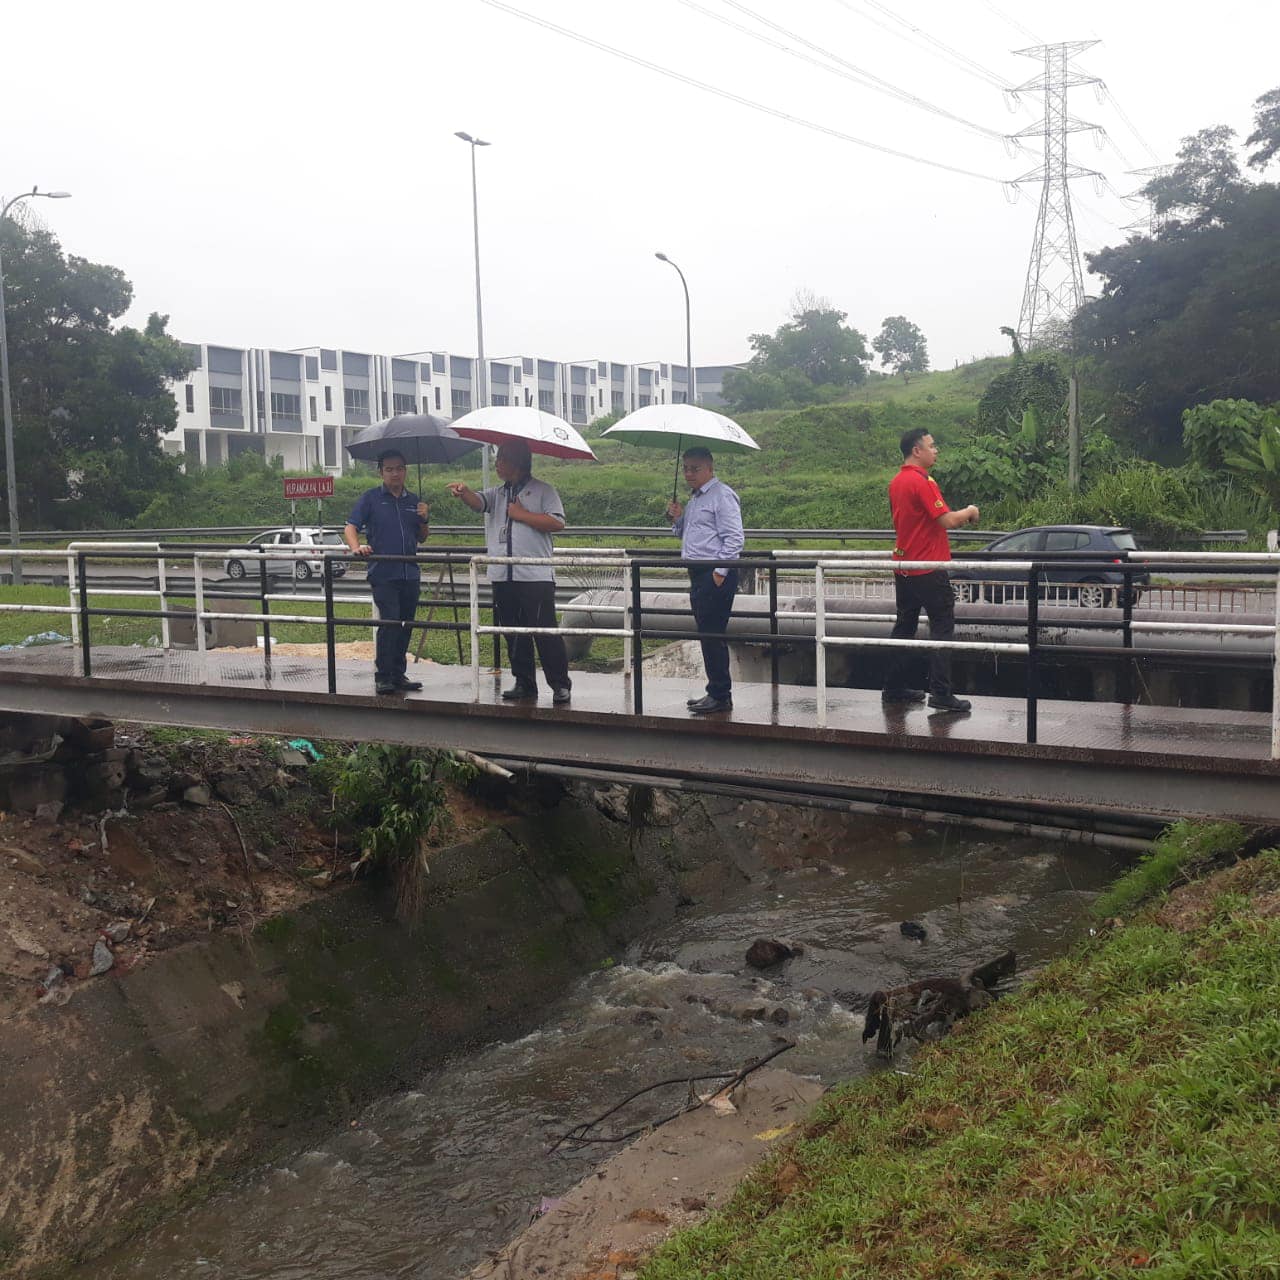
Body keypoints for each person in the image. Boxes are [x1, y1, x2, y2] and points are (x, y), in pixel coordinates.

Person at [447, 441, 572, 704]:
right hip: (503, 575)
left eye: (502, 458)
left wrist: (522, 514)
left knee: (544, 631)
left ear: (518, 461)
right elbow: (479, 502)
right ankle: (524, 682)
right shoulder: (498, 493)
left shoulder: (543, 491)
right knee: (513, 632)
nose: (497, 463)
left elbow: (557, 522)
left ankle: (560, 684)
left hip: (534, 576)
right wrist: (464, 492)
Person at [882, 428, 980, 714]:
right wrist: (971, 511)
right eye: (932, 446)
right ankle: (940, 692)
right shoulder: (921, 482)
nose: (936, 450)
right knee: (942, 626)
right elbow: (947, 520)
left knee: (905, 625)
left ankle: (894, 688)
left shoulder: (896, 482)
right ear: (917, 451)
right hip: (928, 567)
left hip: (904, 566)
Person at [344, 450, 431, 695]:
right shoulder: (371, 498)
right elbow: (351, 527)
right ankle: (383, 675)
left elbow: (422, 538)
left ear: (406, 470)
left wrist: (425, 519)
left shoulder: (414, 501)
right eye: (390, 469)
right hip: (383, 572)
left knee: (406, 624)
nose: (395, 473)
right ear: (381, 472)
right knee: (390, 622)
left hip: (409, 573)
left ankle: (398, 673)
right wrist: (356, 548)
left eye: (399, 468)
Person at [666, 446, 744, 715]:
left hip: (714, 573)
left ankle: (721, 695)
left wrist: (718, 574)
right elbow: (687, 534)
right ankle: (715, 691)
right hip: (698, 572)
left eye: (695, 468)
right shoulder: (696, 499)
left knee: (712, 633)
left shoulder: (722, 496)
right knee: (706, 633)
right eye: (686, 468)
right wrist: (678, 519)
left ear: (710, 468)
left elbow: (735, 538)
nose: (689, 473)